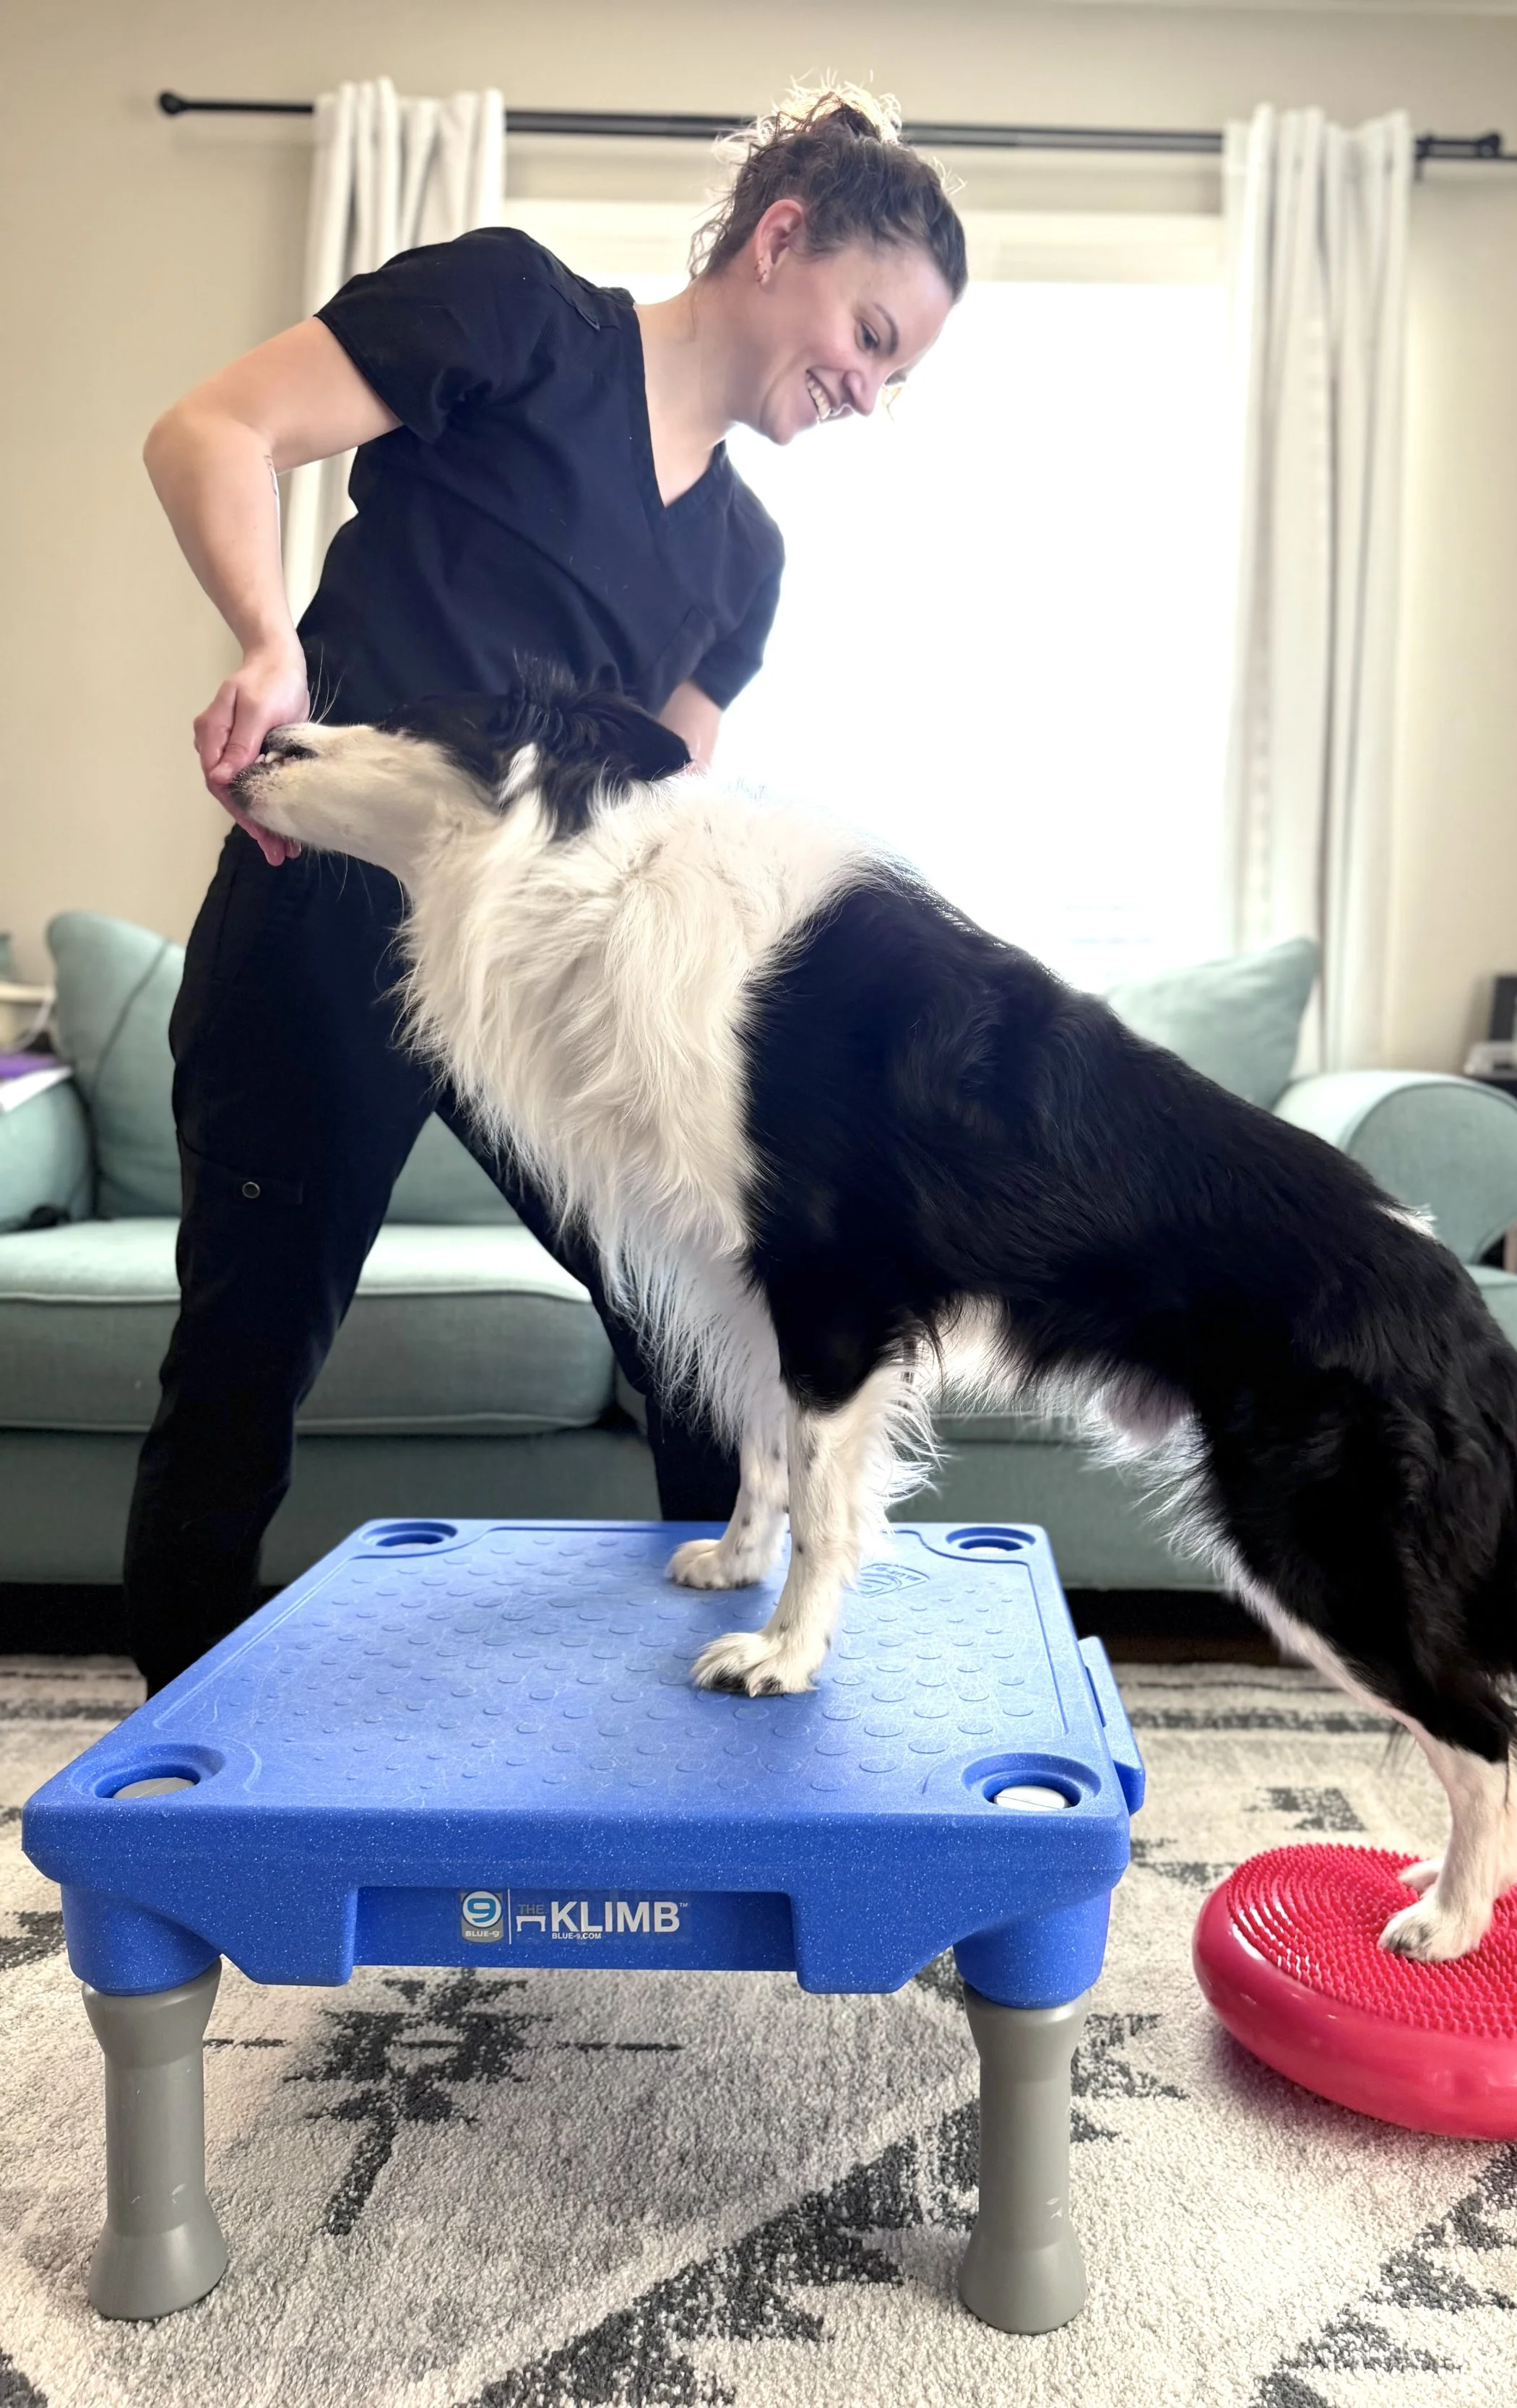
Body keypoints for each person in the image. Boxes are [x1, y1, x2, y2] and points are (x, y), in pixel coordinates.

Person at [126, 87, 967, 1693]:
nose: (868, 388)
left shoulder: (744, 560)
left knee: (693, 1337)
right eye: (871, 334)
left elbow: (665, 813)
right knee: (240, 1360)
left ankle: (697, 1747)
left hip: (553, 986)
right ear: (778, 238)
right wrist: (266, 639)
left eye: (896, 374)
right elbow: (211, 431)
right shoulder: (514, 315)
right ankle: (174, 1782)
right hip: (322, 921)